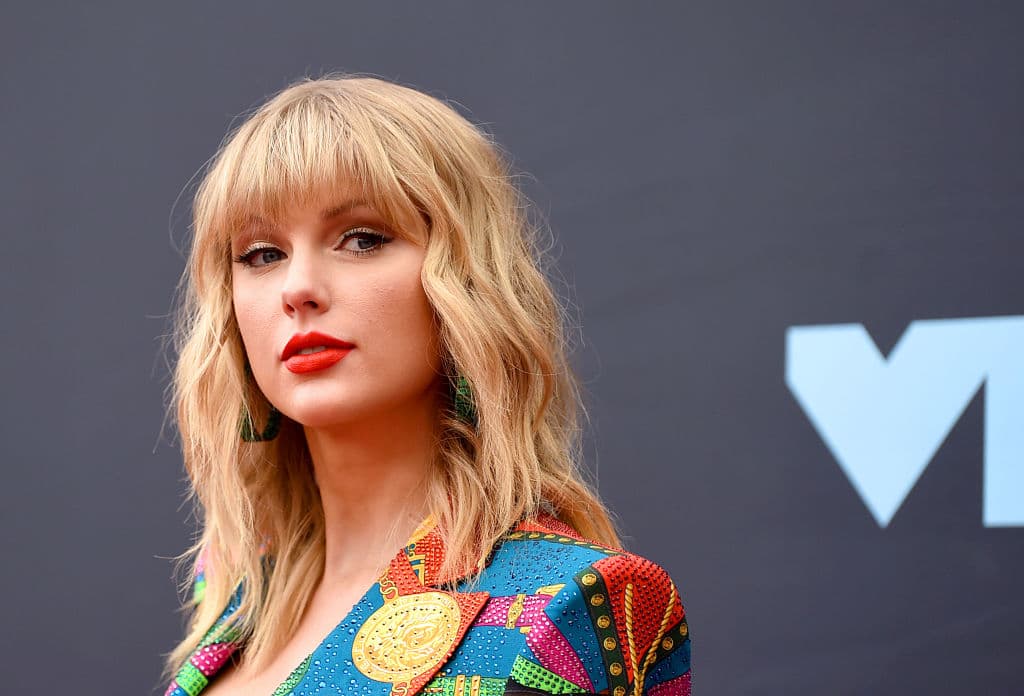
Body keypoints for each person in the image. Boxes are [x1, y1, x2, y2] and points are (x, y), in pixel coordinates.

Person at [162, 74, 691, 696]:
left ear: (465, 280)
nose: (297, 288)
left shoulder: (570, 604)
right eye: (261, 254)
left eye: (362, 239)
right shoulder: (233, 593)